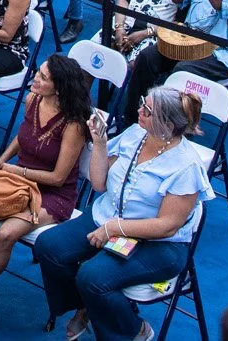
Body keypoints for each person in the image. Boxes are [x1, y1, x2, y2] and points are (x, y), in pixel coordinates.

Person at [31, 86, 213, 341]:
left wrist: (114, 229)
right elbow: (99, 184)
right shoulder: (136, 133)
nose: (139, 110)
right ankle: (89, 307)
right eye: (142, 103)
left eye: (147, 110)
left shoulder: (186, 166)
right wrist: (100, 143)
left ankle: (133, 330)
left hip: (158, 244)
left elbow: (168, 226)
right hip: (107, 215)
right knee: (48, 246)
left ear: (167, 124)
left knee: (93, 277)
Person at [0, 55, 94, 336]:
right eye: (39, 72)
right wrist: (2, 160)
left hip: (53, 194)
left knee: (6, 233)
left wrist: (14, 170)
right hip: (19, 182)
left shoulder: (74, 124)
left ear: (58, 87)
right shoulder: (32, 100)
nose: (35, 78)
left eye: (43, 77)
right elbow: (22, 136)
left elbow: (58, 177)